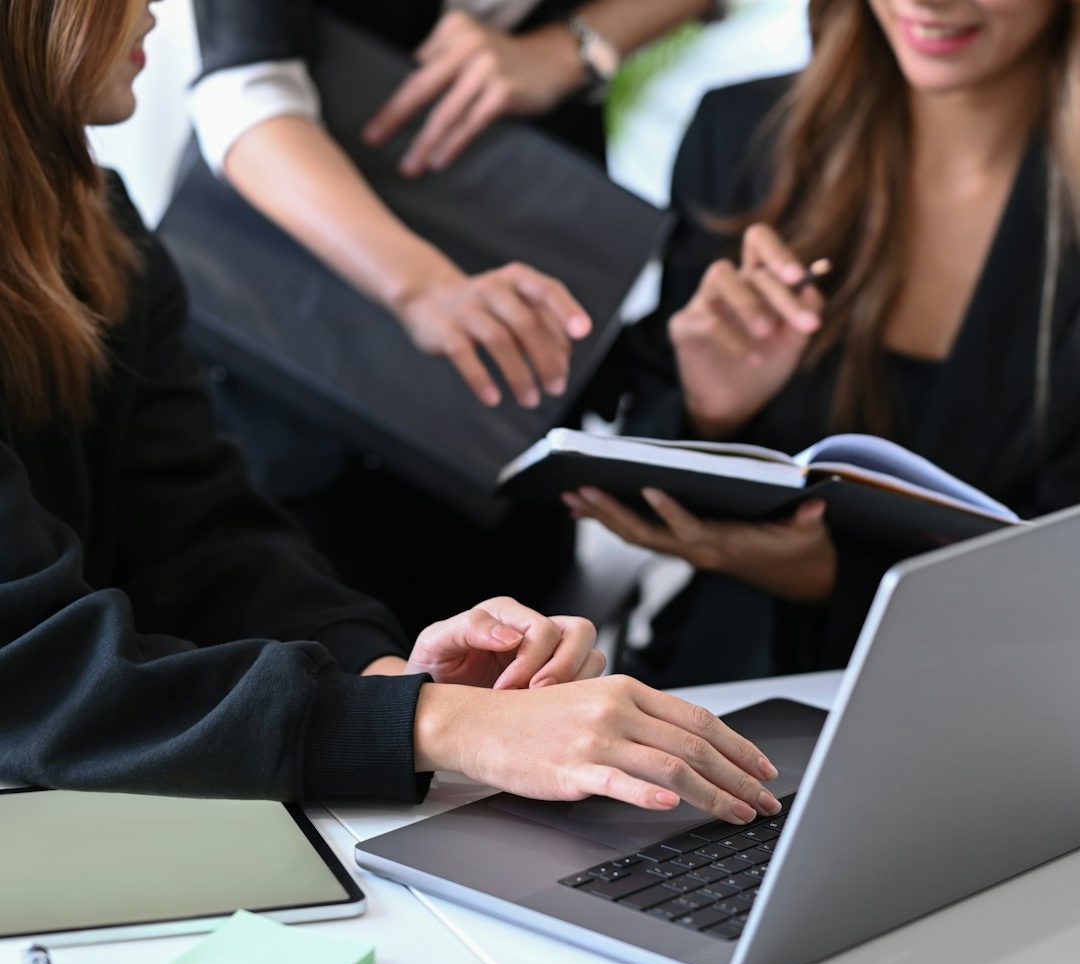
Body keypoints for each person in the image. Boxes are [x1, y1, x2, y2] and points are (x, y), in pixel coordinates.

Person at [0, 0, 782, 828]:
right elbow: (29, 669)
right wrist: (441, 727)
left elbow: (200, 546)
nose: (153, 8)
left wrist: (393, 682)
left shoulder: (99, 231)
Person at [570, 0, 1080, 688]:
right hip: (728, 694)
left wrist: (831, 579)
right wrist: (710, 411)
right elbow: (644, 467)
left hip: (1012, 705)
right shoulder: (746, 136)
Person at [183, 0, 721, 634]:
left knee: (510, 638)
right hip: (313, 297)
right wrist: (423, 287)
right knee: (315, 640)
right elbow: (246, 98)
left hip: (519, 237)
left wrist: (571, 47)